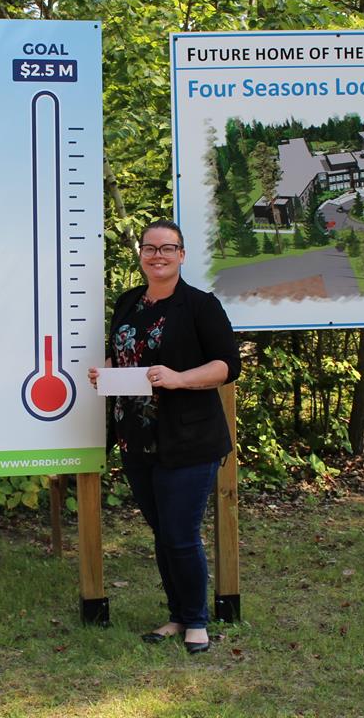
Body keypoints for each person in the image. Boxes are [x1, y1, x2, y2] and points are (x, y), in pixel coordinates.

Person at [88, 219, 241, 655]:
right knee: (161, 531)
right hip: (136, 438)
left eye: (167, 248)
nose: (158, 255)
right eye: (150, 248)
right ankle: (176, 615)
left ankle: (196, 621)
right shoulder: (128, 303)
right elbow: (125, 353)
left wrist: (179, 378)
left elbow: (228, 365)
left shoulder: (199, 305)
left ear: (182, 255)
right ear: (140, 255)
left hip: (188, 438)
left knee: (179, 533)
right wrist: (105, 371)